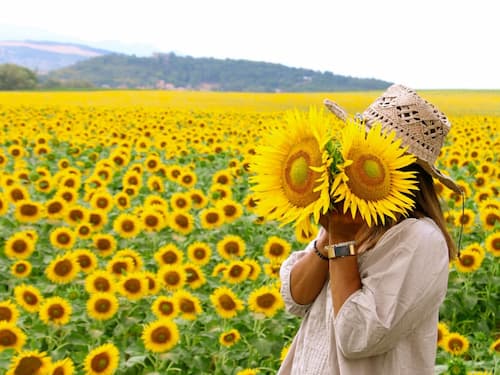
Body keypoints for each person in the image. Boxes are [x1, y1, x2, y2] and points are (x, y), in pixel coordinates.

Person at [277, 84, 463, 375]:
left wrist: (340, 239)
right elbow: (295, 297)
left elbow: (356, 336)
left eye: (368, 150)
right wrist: (329, 233)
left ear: (402, 171)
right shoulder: (354, 218)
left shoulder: (421, 240)